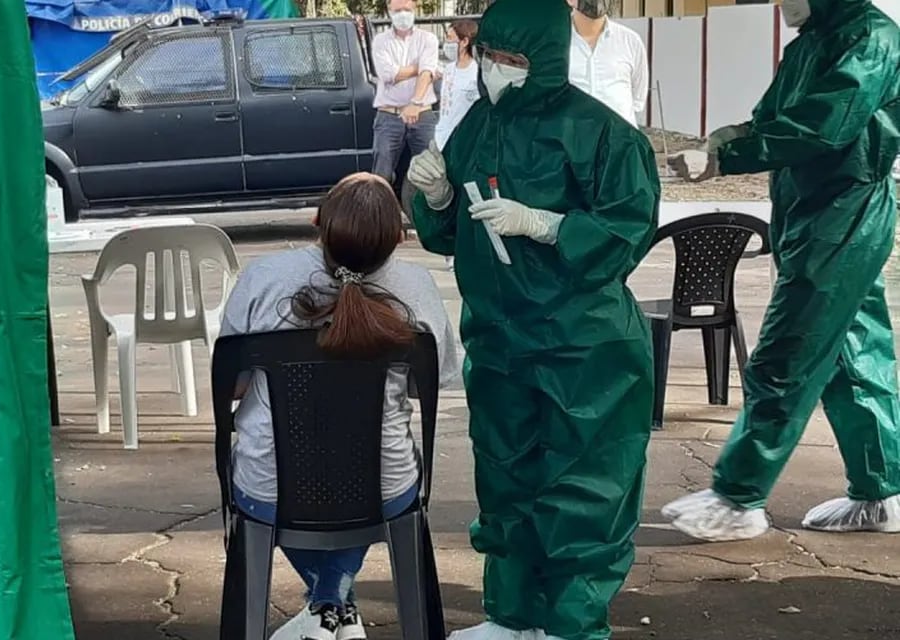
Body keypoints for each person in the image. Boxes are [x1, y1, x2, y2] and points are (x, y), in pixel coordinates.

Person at [408, 0, 661, 636]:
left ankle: (573, 624)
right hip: (499, 337)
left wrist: (548, 225)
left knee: (585, 490)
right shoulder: (476, 127)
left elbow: (627, 230)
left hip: (585, 345)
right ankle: (512, 615)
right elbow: (450, 236)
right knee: (505, 477)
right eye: (489, 54)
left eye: (512, 59)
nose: (497, 69)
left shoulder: (604, 134)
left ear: (545, 58)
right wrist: (434, 198)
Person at [663, 0, 900, 541]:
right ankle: (881, 490)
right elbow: (782, 117)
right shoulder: (814, 39)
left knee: (787, 353)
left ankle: (738, 495)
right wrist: (733, 135)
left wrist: (732, 156)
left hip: (845, 214)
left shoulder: (868, 37)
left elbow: (825, 125)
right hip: (816, 212)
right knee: (855, 355)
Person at [219, 173, 458, 640]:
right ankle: (333, 609)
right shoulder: (416, 286)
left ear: (318, 223)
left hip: (270, 488)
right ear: (397, 238)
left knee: (263, 488)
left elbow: (231, 386)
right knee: (376, 484)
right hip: (385, 489)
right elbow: (426, 385)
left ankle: (327, 609)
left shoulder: (263, 278)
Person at [371, 0, 440, 185]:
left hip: (422, 114)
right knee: (381, 176)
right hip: (389, 116)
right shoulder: (380, 41)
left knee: (431, 174)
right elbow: (388, 74)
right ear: (389, 10)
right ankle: (381, 213)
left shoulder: (428, 39)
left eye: (407, 9)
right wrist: (420, 68)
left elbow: (426, 74)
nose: (403, 14)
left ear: (415, 9)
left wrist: (415, 103)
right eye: (398, 10)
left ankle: (429, 213)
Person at [434, 18, 480, 272]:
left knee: (464, 197)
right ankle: (448, 249)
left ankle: (465, 248)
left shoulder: (476, 74)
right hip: (442, 139)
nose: (448, 43)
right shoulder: (449, 70)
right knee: (445, 197)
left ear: (464, 41)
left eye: (451, 38)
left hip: (465, 145)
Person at [566, 0, 648, 127]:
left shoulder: (631, 41)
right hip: (572, 141)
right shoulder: (554, 42)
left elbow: (637, 100)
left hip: (620, 142)